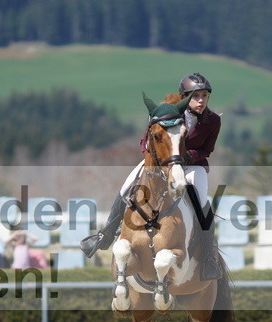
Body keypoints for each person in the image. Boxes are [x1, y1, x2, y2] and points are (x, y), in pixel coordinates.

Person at [80, 72, 221, 280]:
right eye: (196, 96)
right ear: (184, 96)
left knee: (202, 204)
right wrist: (148, 150)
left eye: (204, 96)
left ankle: (209, 258)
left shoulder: (213, 120)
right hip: (161, 163)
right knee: (127, 186)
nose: (201, 101)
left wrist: (187, 156)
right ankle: (106, 234)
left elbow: (207, 150)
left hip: (192, 166)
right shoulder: (167, 112)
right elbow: (147, 139)